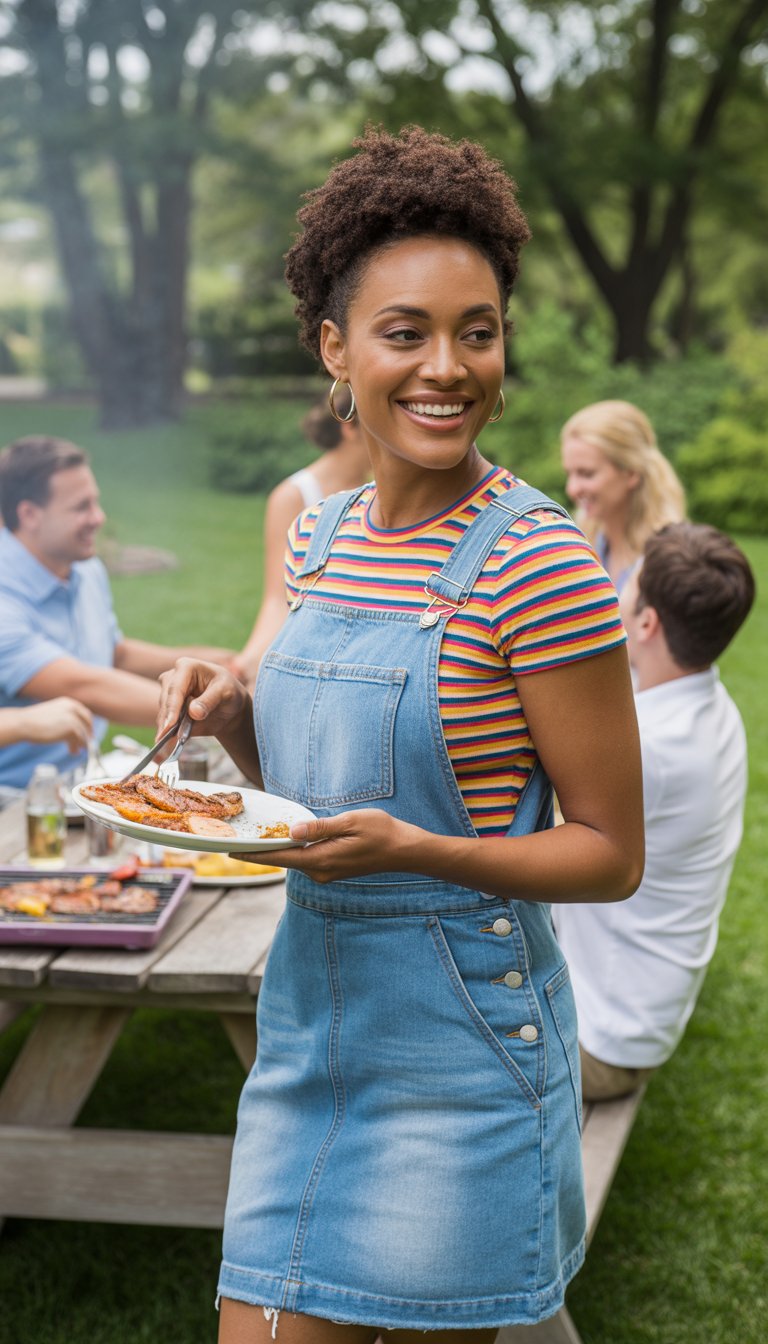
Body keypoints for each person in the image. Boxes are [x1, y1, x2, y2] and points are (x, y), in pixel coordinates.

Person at [158, 126, 644, 1343]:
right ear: (335, 348)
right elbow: (315, 808)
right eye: (406, 331)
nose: (448, 367)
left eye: (476, 331)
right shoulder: (317, 539)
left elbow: (607, 853)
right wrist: (234, 728)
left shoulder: (539, 563)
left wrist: (419, 851)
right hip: (310, 1033)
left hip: (462, 1052)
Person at [553, 522, 754, 1102]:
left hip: (600, 1039)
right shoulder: (712, 708)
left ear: (645, 622)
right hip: (642, 1012)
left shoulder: (652, 747)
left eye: (626, 584)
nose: (613, 591)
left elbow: (529, 829)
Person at [0, 435, 235, 789]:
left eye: (95, 502)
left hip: (78, 781)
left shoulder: (85, 569)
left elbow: (113, 652)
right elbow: (84, 685)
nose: (99, 517)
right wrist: (214, 705)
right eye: (81, 507)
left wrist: (216, 665)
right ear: (30, 515)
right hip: (14, 799)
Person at [232, 391, 370, 687]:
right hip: (312, 656)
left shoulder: (383, 490)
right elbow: (278, 598)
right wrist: (249, 661)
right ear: (349, 426)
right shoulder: (293, 496)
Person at [561, 399, 686, 593]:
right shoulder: (582, 541)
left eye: (586, 474)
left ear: (630, 471)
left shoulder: (671, 560)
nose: (572, 489)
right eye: (569, 473)